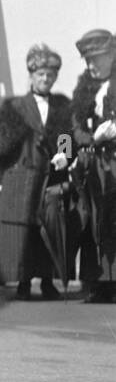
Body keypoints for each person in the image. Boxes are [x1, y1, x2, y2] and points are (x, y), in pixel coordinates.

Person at [0, 43, 74, 300]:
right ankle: (23, 283)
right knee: (22, 232)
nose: (45, 79)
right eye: (40, 75)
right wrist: (10, 171)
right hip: (23, 177)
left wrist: (65, 156)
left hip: (51, 177)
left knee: (48, 228)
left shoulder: (62, 107)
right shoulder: (14, 107)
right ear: (31, 76)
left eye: (50, 75)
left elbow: (67, 139)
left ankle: (48, 282)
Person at [71, 28, 116, 303]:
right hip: (93, 165)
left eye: (96, 58)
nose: (90, 65)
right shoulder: (84, 88)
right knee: (94, 223)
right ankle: (97, 283)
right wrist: (67, 153)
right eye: (87, 60)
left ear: (112, 55)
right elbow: (69, 127)